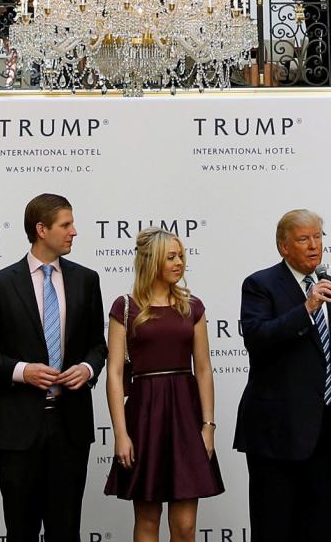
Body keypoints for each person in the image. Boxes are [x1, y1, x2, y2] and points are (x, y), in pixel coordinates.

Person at [0, 194, 107, 542]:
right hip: (17, 428)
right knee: (21, 530)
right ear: (41, 229)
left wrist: (87, 369)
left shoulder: (86, 280)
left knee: (66, 531)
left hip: (71, 426)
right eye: (66, 225)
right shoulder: (0, 284)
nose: (74, 231)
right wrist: (21, 371)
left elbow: (98, 345)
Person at [233, 208, 331, 542]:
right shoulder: (260, 285)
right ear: (283, 246)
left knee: (319, 530)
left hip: (327, 430)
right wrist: (306, 310)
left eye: (318, 237)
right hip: (277, 432)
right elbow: (257, 339)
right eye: (303, 239)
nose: (314, 245)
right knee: (274, 529)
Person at [103, 227, 225, 539]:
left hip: (185, 416)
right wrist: (121, 434)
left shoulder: (192, 306)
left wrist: (208, 427)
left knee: (185, 526)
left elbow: (204, 369)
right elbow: (114, 373)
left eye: (181, 256)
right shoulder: (125, 307)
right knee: (147, 520)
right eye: (170, 257)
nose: (179, 262)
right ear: (151, 260)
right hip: (144, 416)